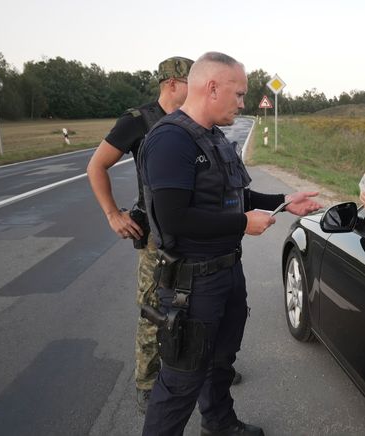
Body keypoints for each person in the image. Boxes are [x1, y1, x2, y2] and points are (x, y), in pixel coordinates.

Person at [140, 52, 320, 436]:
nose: (242, 103)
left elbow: (236, 195)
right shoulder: (172, 140)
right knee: (181, 381)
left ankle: (219, 423)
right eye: (238, 94)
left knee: (221, 360)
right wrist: (241, 223)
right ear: (212, 87)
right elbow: (174, 218)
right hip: (191, 283)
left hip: (226, 273)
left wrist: (285, 204)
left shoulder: (213, 137)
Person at [87, 56, 239, 414]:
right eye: (192, 82)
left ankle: (203, 370)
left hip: (195, 230)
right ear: (172, 83)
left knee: (201, 305)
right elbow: (97, 165)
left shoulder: (193, 122)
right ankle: (148, 381)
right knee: (156, 308)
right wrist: (112, 214)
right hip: (157, 231)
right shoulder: (139, 121)